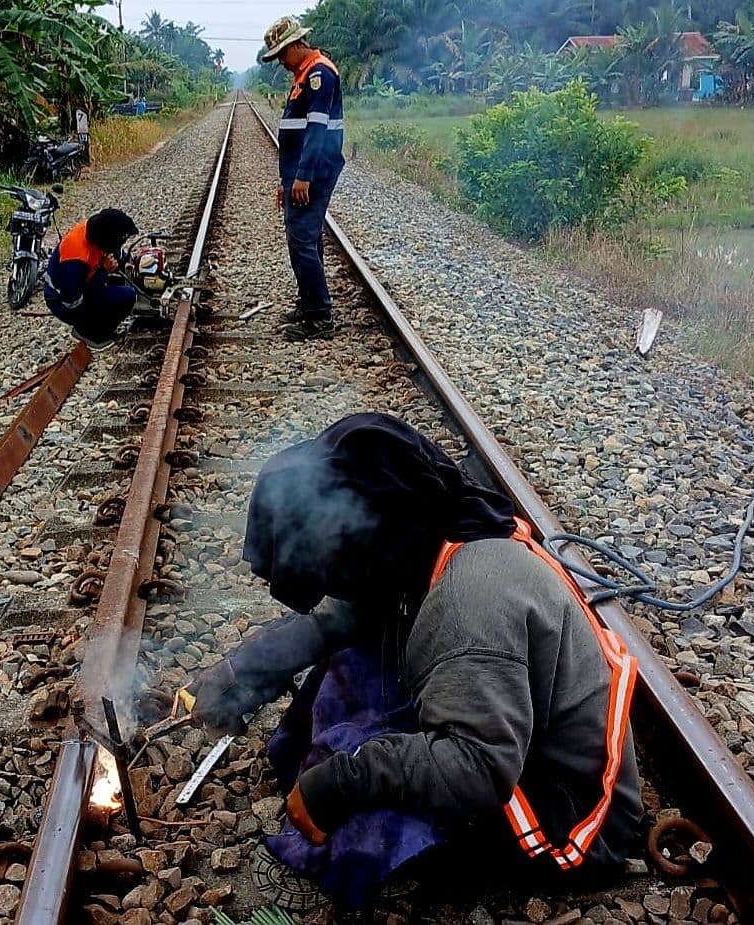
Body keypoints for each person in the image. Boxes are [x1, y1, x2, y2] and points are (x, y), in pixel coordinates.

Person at [184, 413, 642, 910]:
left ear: (371, 535)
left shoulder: (469, 603)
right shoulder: (427, 532)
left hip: (562, 817)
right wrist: (240, 674)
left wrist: (338, 783)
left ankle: (388, 871)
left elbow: (478, 767)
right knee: (350, 663)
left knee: (369, 768)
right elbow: (335, 623)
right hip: (514, 742)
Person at [261, 16, 345, 342]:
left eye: (283, 53)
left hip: (316, 170)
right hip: (302, 171)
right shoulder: (303, 74)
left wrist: (304, 177)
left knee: (301, 240)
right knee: (306, 238)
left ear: (298, 44)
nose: (281, 61)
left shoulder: (319, 74)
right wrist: (288, 180)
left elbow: (317, 129)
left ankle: (319, 316)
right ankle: (309, 303)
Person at [43, 208, 138, 351]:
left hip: (83, 282)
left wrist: (131, 263)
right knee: (126, 296)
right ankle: (89, 332)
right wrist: (104, 271)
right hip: (63, 300)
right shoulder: (75, 258)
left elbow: (114, 253)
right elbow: (72, 302)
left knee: (121, 283)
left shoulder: (98, 231)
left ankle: (94, 323)